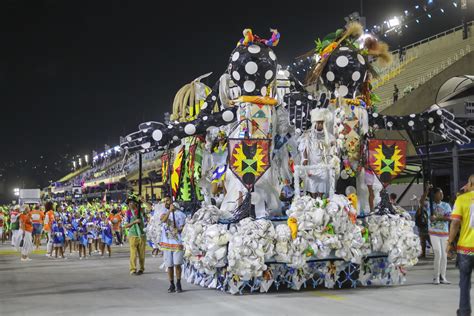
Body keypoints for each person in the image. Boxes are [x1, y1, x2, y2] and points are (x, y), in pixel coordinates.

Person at [448, 174, 474, 316]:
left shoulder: (462, 199)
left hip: (466, 249)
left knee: (464, 282)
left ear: (470, 184)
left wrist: (450, 243)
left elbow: (455, 223)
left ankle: (464, 312)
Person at [423, 185, 452, 284]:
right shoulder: (429, 204)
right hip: (434, 233)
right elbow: (421, 202)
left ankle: (443, 277)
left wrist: (437, 218)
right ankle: (436, 277)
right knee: (438, 254)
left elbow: (449, 218)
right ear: (434, 195)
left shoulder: (446, 205)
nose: (442, 195)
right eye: (440, 193)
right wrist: (426, 191)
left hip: (444, 233)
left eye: (442, 193)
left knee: (444, 255)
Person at [160, 198, 186, 293]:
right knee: (169, 265)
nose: (166, 203)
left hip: (177, 243)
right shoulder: (164, 212)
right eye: (165, 201)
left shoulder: (181, 215)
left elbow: (184, 227)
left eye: (167, 201)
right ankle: (171, 284)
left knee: (177, 264)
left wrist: (179, 230)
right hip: (167, 244)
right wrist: (169, 212)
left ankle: (178, 283)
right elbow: (163, 220)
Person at [125, 194, 146, 275]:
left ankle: (141, 268)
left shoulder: (141, 210)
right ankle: (133, 269)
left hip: (142, 234)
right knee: (133, 254)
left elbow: (150, 208)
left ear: (135, 203)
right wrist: (134, 222)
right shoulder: (128, 213)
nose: (130, 204)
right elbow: (126, 225)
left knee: (142, 254)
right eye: (129, 203)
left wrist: (143, 201)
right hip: (133, 235)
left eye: (131, 202)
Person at [416, 184, 431, 258]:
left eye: (426, 200)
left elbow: (422, 200)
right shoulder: (423, 208)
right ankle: (423, 253)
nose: (426, 201)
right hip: (424, 226)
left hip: (428, 227)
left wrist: (427, 191)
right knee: (423, 240)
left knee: (428, 240)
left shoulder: (427, 207)